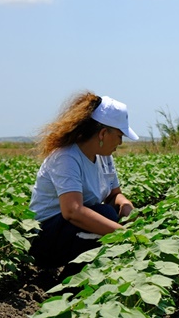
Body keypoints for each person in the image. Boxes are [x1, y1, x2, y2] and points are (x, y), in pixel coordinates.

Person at [28, 91, 139, 277]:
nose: (120, 142)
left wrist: (125, 205)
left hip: (69, 231)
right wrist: (124, 233)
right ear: (103, 133)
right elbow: (73, 212)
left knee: (109, 213)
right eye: (119, 136)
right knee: (106, 216)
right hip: (46, 236)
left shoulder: (104, 157)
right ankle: (68, 285)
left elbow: (114, 195)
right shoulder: (66, 157)